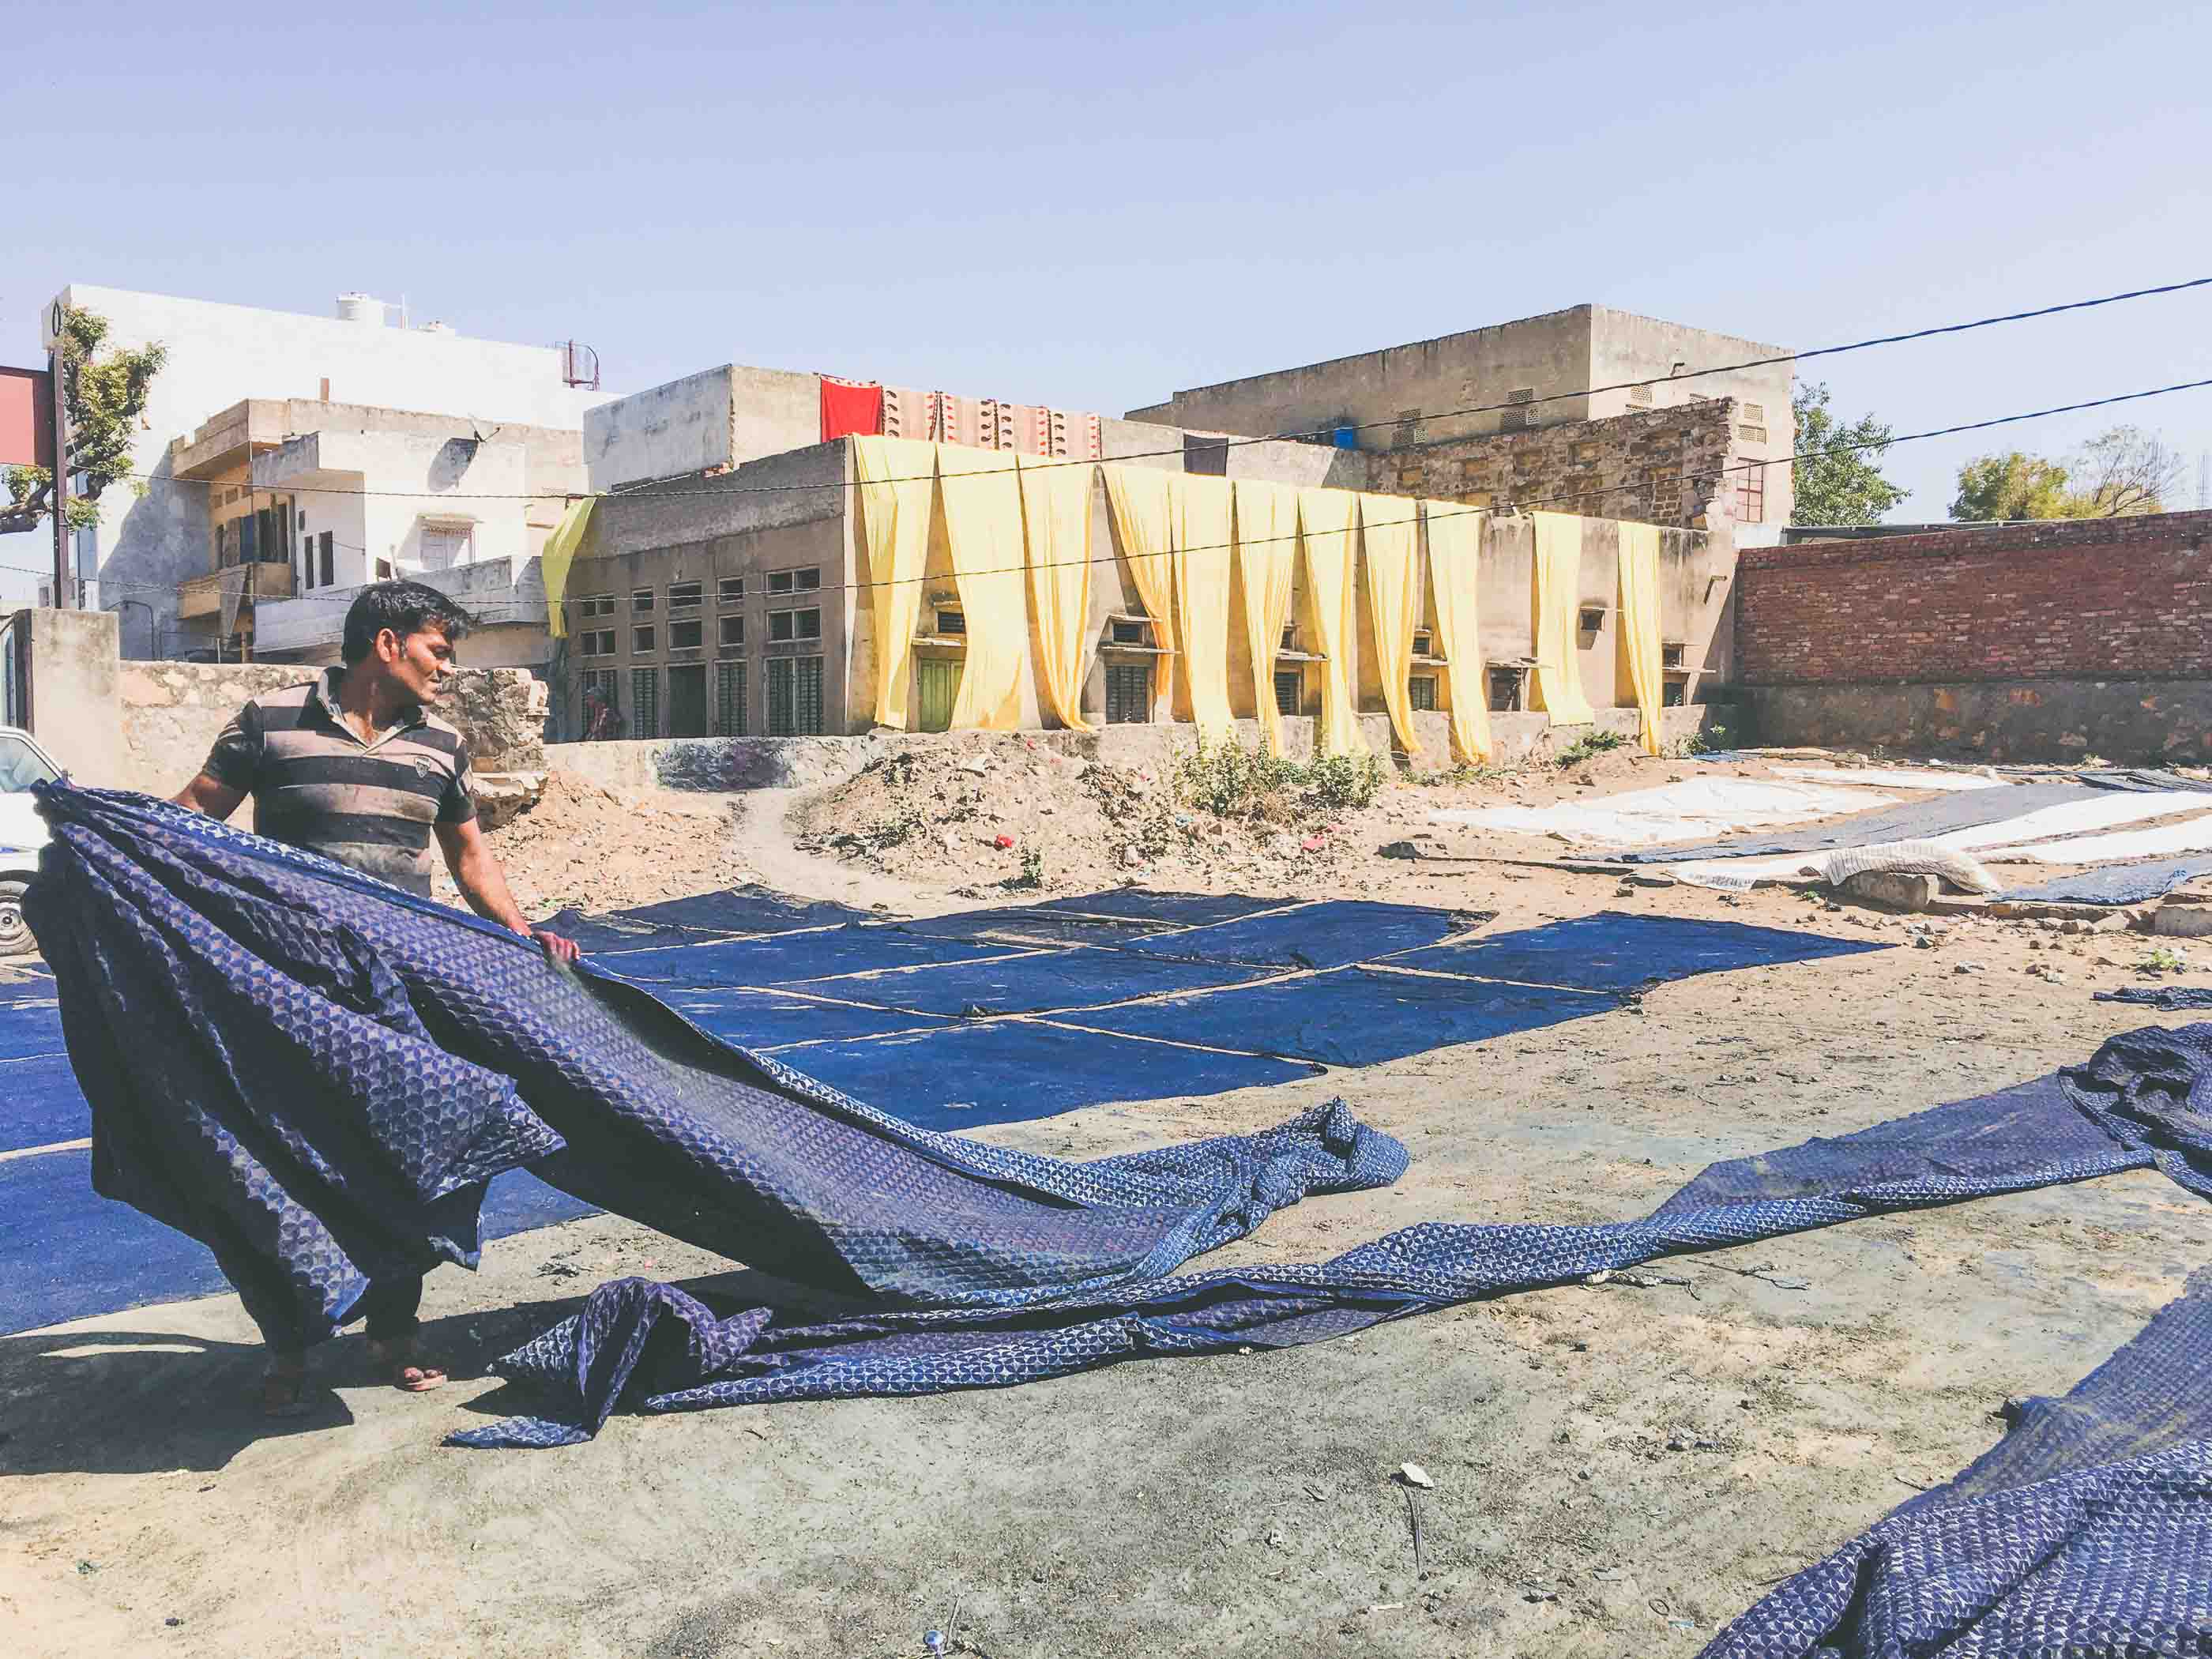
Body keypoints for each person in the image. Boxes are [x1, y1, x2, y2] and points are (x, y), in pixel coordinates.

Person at [172, 581, 578, 1415]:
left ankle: (394, 1331)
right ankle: (290, 1344)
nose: (448, 671)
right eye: (438, 651)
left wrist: (523, 930)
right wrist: (112, 836)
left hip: (396, 1002)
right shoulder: (268, 719)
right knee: (284, 1167)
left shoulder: (441, 746)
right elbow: (193, 816)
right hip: (285, 996)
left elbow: (470, 861)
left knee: (407, 1165)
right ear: (387, 645)